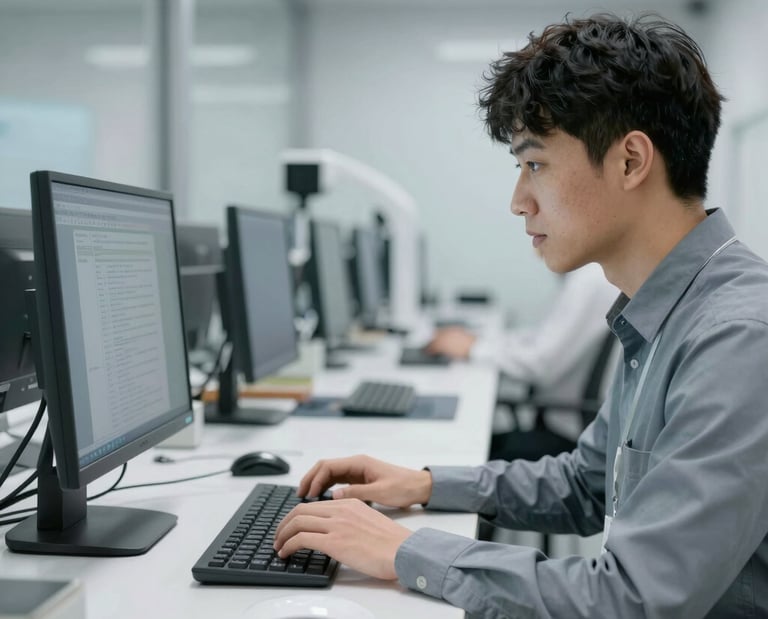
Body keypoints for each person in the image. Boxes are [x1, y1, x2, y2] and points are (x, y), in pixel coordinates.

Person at [274, 13, 768, 618]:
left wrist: (404, 551)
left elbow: (631, 599)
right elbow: (588, 482)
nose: (518, 201)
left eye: (534, 164)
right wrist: (426, 484)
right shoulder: (667, 312)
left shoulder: (737, 338)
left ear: (631, 161)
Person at [427, 260, 619, 458]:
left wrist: (474, 349)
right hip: (558, 425)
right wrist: (479, 342)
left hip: (561, 439)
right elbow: (541, 338)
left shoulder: (590, 280)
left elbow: (540, 365)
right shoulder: (589, 276)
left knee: (448, 447)